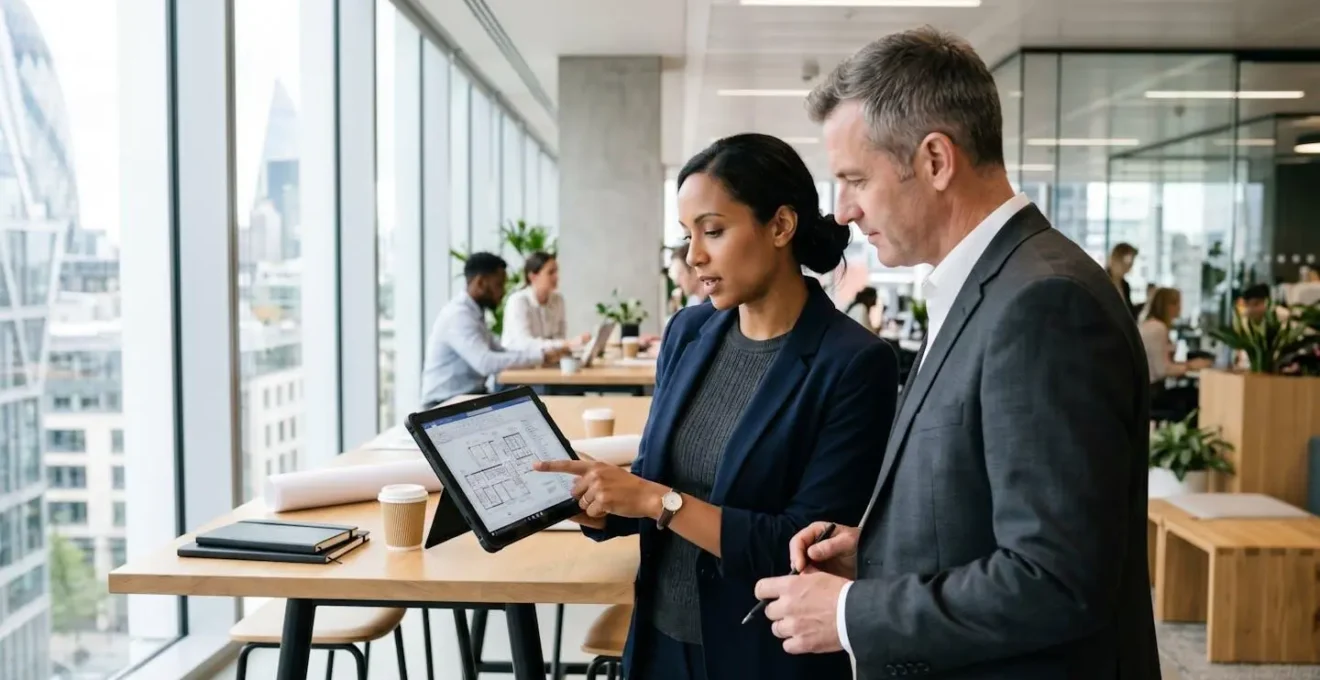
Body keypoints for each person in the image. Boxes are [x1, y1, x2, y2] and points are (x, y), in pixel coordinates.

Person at [755, 27, 1161, 679]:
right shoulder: (989, 284)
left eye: (855, 179)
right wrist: (883, 557)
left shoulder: (1045, 304)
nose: (844, 211)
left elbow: (1056, 579)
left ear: (936, 160)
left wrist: (855, 612)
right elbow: (986, 508)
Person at [534, 133, 899, 680]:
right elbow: (663, 481)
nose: (693, 256)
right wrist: (610, 507)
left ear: (780, 226)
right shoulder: (689, 331)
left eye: (713, 230)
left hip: (760, 653)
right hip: (658, 639)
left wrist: (657, 501)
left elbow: (806, 545)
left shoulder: (854, 362)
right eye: (687, 235)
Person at [419, 253, 564, 408]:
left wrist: (540, 356)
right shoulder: (459, 315)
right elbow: (485, 362)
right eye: (499, 285)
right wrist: (540, 357)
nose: (502, 293)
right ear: (481, 283)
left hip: (470, 398)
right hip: (443, 406)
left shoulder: (474, 313)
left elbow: (500, 351)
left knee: (536, 401)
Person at [1140, 287, 1209, 421]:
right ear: (1167, 305)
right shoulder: (1158, 328)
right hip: (1153, 394)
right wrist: (1190, 366)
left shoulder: (1148, 325)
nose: (1180, 308)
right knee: (1196, 397)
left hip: (1145, 392)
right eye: (1177, 303)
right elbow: (1162, 370)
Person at [500, 251, 591, 352]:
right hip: (518, 364)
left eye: (556, 272)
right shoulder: (518, 301)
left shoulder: (558, 300)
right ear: (533, 277)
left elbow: (560, 338)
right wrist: (568, 343)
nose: (556, 277)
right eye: (551, 272)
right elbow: (524, 343)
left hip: (547, 362)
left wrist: (571, 345)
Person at [668, 243, 709, 310]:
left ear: (695, 271)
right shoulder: (695, 304)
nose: (676, 282)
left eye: (680, 273)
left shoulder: (712, 308)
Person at [1106, 242, 1139, 316]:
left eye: (1131, 264)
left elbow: (1129, 311)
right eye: (1127, 263)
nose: (1128, 268)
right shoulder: (1102, 282)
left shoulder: (1125, 285)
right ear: (1115, 259)